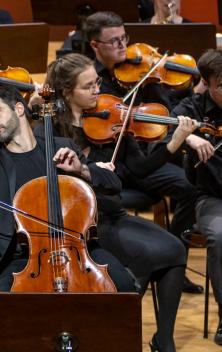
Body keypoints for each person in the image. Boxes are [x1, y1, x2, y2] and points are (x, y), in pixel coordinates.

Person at [0, 86, 151, 352]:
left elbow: (112, 185)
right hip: (17, 255)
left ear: (19, 110)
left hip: (77, 248)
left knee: (126, 287)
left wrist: (81, 170)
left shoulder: (61, 148)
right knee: (3, 301)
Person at [45, 53, 195, 352]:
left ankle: (163, 339)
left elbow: (140, 170)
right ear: (67, 91)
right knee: (145, 257)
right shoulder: (52, 129)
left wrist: (176, 140)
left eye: (96, 82)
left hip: (114, 216)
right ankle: (120, 341)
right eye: (88, 87)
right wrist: (87, 170)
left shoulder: (112, 121)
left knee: (174, 249)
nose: (97, 91)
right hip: (83, 224)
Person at [84, 11, 201, 293]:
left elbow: (166, 110)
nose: (123, 46)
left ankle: (173, 261)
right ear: (95, 45)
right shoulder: (87, 80)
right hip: (111, 169)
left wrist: (189, 120)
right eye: (114, 41)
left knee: (191, 185)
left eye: (124, 38)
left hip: (145, 158)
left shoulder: (143, 73)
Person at [168, 48, 222, 346]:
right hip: (213, 197)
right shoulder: (194, 108)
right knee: (220, 238)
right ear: (206, 83)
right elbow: (169, 125)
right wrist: (188, 135)